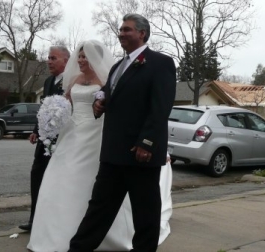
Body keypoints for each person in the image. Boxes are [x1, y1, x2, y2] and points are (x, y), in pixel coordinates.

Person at [26, 40, 173, 251]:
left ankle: (103, 236)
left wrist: (153, 143)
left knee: (101, 191)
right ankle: (56, 234)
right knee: (61, 181)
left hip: (98, 136)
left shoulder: (109, 77)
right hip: (73, 134)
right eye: (80, 56)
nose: (81, 59)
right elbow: (67, 104)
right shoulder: (75, 79)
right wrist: (53, 115)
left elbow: (131, 110)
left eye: (86, 56)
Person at [69, 14, 176, 252]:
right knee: (98, 209)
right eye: (120, 29)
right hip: (113, 154)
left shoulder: (161, 63)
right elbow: (110, 91)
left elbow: (160, 108)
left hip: (141, 155)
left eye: (127, 29)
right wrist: (100, 100)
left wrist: (147, 143)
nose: (121, 33)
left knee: (145, 216)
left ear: (142, 33)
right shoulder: (119, 66)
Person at [18, 45, 70, 231]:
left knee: (57, 181)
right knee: (37, 176)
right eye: (48, 57)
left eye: (53, 58)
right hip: (44, 141)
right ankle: (35, 221)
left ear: (66, 60)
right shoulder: (48, 81)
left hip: (64, 141)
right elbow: (44, 109)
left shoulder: (72, 81)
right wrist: (35, 130)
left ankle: (54, 221)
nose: (49, 61)